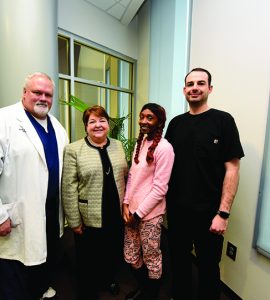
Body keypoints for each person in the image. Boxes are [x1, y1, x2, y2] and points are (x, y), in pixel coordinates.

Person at [165, 68, 245, 300]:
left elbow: (233, 169)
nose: (195, 87)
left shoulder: (223, 121)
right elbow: (164, 166)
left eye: (201, 83)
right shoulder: (176, 124)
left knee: (209, 268)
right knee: (179, 263)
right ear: (184, 90)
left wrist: (223, 213)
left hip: (209, 214)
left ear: (210, 88)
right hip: (177, 211)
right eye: (190, 84)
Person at [0, 72, 69, 300]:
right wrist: (0, 216)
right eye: (37, 92)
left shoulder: (58, 128)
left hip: (50, 213)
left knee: (43, 262)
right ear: (24, 93)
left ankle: (40, 291)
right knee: (14, 272)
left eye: (48, 94)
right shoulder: (5, 120)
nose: (43, 98)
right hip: (17, 214)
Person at [62, 105, 128, 300]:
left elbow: (125, 176)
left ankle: (108, 280)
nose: (98, 125)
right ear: (86, 126)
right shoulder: (74, 149)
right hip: (89, 215)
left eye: (102, 120)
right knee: (87, 257)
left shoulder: (117, 145)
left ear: (108, 124)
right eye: (92, 121)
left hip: (114, 213)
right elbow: (68, 187)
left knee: (111, 252)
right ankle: (87, 290)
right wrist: (74, 221)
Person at [123, 103, 175, 300]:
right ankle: (144, 287)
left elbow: (160, 189)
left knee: (152, 257)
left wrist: (138, 214)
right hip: (131, 213)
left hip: (149, 215)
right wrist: (126, 205)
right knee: (131, 255)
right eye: (142, 116)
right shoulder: (140, 143)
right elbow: (132, 178)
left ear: (159, 122)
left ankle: (150, 295)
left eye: (150, 117)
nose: (144, 121)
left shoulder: (165, 148)